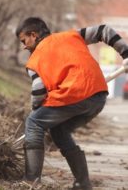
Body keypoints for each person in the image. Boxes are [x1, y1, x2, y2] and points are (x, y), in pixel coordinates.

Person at [16, 17, 128, 190]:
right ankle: (82, 183)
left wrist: (36, 112)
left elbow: (38, 91)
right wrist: (126, 53)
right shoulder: (72, 36)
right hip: (98, 96)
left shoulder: (34, 61)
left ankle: (30, 182)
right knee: (59, 130)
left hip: (72, 96)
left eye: (24, 41)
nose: (24, 46)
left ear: (34, 34)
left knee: (33, 123)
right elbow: (104, 30)